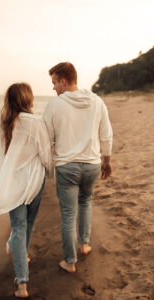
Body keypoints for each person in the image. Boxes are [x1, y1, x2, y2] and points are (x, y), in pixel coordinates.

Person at [43, 62, 113, 273]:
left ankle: (70, 261)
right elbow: (106, 133)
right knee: (85, 202)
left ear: (63, 81)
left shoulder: (55, 105)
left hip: (67, 167)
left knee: (68, 213)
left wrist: (47, 165)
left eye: (54, 82)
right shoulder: (96, 101)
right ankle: (84, 245)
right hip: (92, 165)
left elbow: (47, 138)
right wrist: (107, 160)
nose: (53, 87)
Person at [0, 83, 52, 298]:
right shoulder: (36, 122)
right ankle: (22, 257)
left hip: (13, 183)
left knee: (18, 227)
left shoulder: (1, 123)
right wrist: (50, 173)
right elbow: (45, 154)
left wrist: (4, 177)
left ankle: (22, 285)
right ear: (28, 99)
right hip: (34, 181)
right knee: (28, 224)